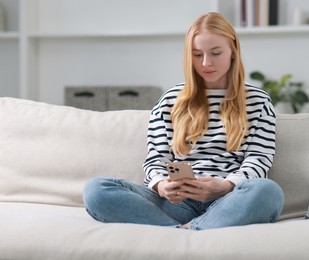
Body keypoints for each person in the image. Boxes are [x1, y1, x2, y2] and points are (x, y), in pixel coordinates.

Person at [83, 12, 284, 230]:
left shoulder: (257, 101)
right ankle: (191, 230)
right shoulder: (171, 100)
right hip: (176, 204)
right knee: (96, 190)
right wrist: (161, 186)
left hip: (228, 201)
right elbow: (155, 159)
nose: (206, 63)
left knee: (268, 192)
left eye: (215, 53)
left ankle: (185, 230)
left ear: (233, 51)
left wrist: (225, 186)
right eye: (197, 55)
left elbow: (259, 159)